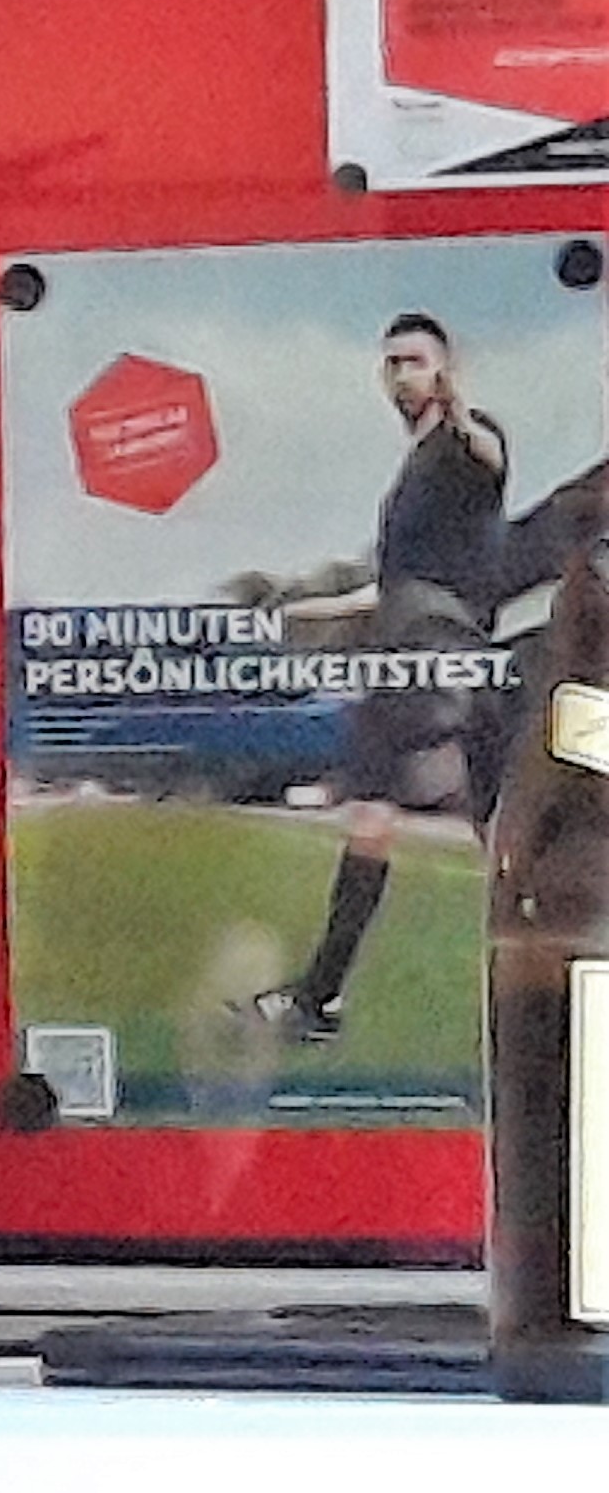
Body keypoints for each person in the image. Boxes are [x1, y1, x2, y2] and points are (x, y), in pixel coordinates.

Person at [230, 311, 512, 1042]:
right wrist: (302, 611)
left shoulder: (462, 444)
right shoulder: (413, 474)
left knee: (375, 816)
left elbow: (487, 457)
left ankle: (318, 999)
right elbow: (392, 586)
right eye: (392, 363)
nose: (401, 375)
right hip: (441, 654)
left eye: (415, 361)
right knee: (496, 829)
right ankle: (548, 988)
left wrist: (457, 399)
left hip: (427, 657)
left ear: (444, 367)